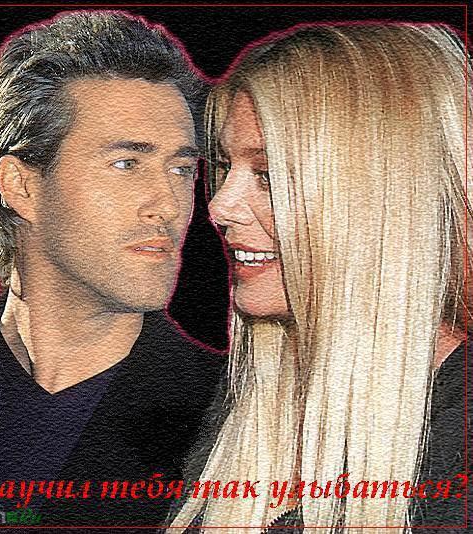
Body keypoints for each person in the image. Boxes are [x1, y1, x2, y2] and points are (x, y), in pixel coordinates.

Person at [0, 11, 224, 528]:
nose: (169, 204)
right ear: (21, 186)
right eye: (126, 164)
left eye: (181, 168)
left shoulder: (238, 411)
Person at [170, 22, 471, 532]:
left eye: (268, 175)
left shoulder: (457, 438)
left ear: (386, 196)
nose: (220, 207)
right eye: (224, 167)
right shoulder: (243, 404)